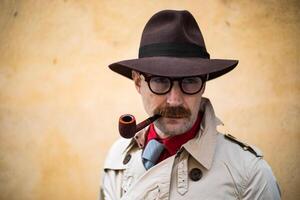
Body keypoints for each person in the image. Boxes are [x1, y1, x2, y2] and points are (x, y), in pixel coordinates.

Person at [100, 10, 281, 200]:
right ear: (138, 82)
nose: (174, 100)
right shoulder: (117, 159)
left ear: (204, 83)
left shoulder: (248, 173)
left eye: (189, 81)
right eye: (160, 81)